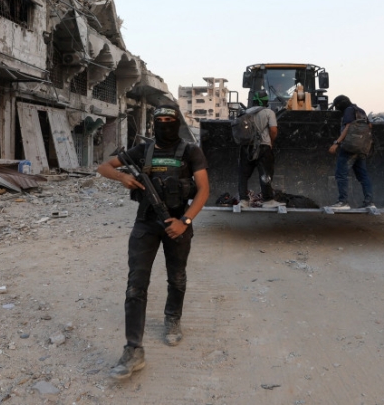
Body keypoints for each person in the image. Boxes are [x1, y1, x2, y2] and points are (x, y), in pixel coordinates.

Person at [96, 103, 210, 379]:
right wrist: (122, 177)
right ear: (154, 124)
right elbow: (103, 167)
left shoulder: (191, 151)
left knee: (177, 277)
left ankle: (173, 318)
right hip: (146, 223)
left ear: (177, 123)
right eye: (160, 121)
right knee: (136, 284)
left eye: (170, 120)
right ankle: (133, 349)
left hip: (177, 223)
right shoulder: (142, 151)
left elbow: (204, 190)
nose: (165, 125)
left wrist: (184, 222)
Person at [238, 92, 285, 208]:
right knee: (265, 174)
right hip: (263, 146)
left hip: (246, 147)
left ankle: (243, 200)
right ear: (266, 101)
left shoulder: (245, 113)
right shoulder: (269, 112)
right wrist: (271, 142)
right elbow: (273, 130)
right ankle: (268, 200)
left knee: (243, 174)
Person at [327, 95, 374, 210]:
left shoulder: (348, 110)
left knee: (341, 174)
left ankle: (343, 202)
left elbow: (348, 127)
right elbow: (369, 125)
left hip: (350, 147)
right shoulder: (361, 110)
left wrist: (337, 142)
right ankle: (369, 202)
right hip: (362, 147)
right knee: (363, 175)